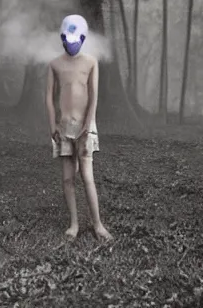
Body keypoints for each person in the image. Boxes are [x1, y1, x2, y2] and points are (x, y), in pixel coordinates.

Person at [45, 14, 112, 241]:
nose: (71, 44)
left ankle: (98, 224)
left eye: (75, 40)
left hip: (85, 126)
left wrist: (87, 124)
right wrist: (52, 123)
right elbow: (49, 97)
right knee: (67, 178)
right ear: (62, 38)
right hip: (63, 127)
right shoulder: (54, 64)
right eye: (67, 39)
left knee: (87, 176)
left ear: (82, 39)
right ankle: (73, 224)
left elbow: (93, 96)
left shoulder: (91, 62)